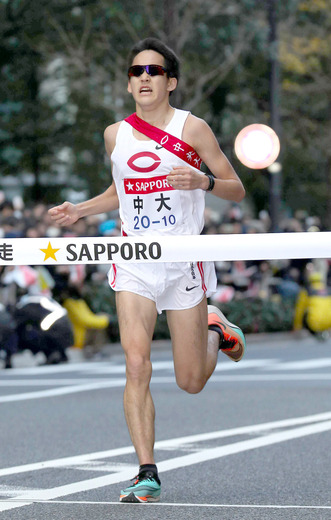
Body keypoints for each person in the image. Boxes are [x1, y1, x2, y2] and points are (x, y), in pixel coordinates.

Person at [48, 37, 246, 503]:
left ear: (170, 82)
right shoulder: (114, 134)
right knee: (136, 363)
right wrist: (81, 210)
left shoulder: (192, 128)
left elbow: (236, 188)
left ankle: (216, 330)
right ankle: (146, 471)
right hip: (134, 260)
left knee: (190, 381)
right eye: (136, 70)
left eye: (153, 71)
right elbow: (122, 191)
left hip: (182, 262)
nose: (143, 77)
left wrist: (204, 181)